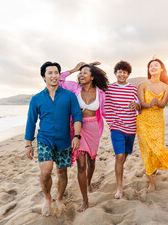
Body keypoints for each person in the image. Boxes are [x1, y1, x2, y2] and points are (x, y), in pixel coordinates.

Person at [25, 62, 82, 216]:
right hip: (45, 139)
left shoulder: (69, 96)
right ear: (43, 76)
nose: (54, 76)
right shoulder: (36, 99)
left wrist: (77, 136)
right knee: (46, 171)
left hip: (64, 140)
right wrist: (28, 144)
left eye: (56, 72)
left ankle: (59, 198)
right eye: (50, 73)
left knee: (62, 172)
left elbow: (77, 116)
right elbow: (31, 122)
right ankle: (48, 198)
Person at [59, 61, 108, 212]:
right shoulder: (74, 88)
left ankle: (89, 182)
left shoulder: (100, 92)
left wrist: (91, 66)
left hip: (93, 128)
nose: (81, 75)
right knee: (81, 165)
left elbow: (106, 112)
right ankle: (85, 200)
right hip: (77, 128)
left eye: (85, 73)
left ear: (92, 77)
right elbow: (60, 80)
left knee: (91, 161)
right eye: (80, 73)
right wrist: (75, 69)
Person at [136, 58, 168, 191]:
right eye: (150, 66)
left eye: (156, 65)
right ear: (148, 70)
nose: (153, 67)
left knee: (158, 147)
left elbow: (163, 104)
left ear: (161, 69)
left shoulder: (166, 87)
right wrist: (150, 104)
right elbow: (141, 104)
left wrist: (157, 103)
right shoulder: (142, 85)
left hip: (158, 121)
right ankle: (151, 183)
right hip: (144, 121)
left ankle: (167, 168)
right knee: (147, 150)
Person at [105, 61, 140, 199]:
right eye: (119, 71)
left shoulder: (133, 88)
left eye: (124, 72)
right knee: (119, 156)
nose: (122, 74)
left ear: (128, 74)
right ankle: (120, 187)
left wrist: (136, 105)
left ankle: (118, 171)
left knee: (124, 156)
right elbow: (102, 102)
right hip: (116, 127)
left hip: (131, 127)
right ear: (115, 73)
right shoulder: (109, 89)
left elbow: (139, 105)